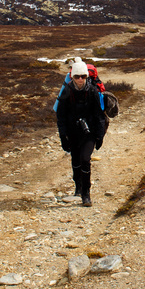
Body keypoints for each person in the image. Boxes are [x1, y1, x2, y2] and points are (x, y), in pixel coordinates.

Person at [54, 60, 108, 206]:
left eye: (83, 76)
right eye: (77, 76)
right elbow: (61, 117)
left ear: (86, 77)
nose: (80, 79)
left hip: (88, 132)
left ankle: (86, 194)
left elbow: (99, 115)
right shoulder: (66, 92)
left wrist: (99, 135)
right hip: (72, 132)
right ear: (72, 76)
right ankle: (77, 185)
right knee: (76, 160)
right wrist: (63, 136)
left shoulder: (92, 91)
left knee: (85, 160)